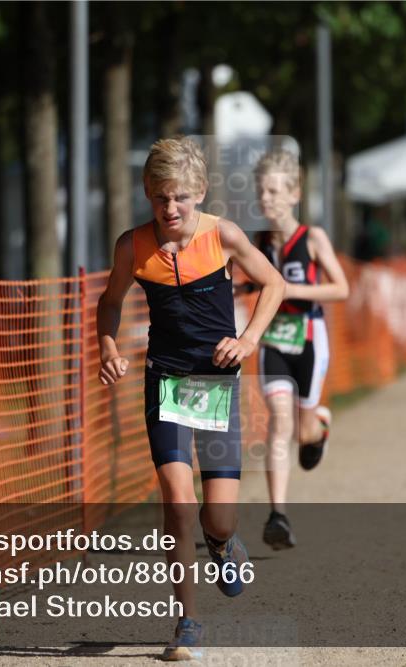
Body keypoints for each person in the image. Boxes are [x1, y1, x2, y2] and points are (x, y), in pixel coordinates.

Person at [96, 137, 284, 661]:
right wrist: (107, 346)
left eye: (179, 197)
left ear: (199, 192)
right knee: (177, 504)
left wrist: (248, 340)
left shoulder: (222, 235)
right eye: (160, 198)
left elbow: (273, 286)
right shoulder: (132, 246)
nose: (170, 208)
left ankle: (224, 544)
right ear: (147, 195)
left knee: (216, 520)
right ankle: (186, 622)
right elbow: (108, 304)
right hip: (166, 383)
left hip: (217, 385)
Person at [249, 150, 349, 550]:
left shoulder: (312, 238)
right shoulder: (256, 240)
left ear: (294, 193)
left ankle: (320, 425)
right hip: (273, 339)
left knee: (303, 431)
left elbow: (341, 288)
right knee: (279, 421)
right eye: (261, 191)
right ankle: (278, 515)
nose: (266, 198)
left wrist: (291, 290)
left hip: (308, 338)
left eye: (274, 190)